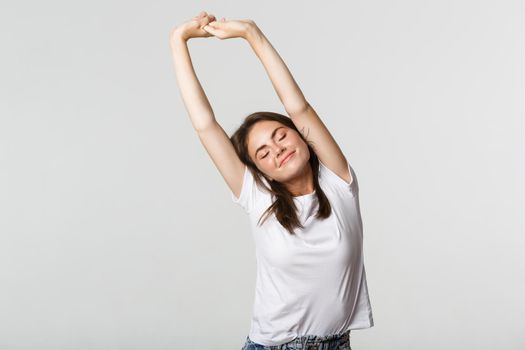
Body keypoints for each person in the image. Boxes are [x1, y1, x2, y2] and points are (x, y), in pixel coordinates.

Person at [169, 11, 374, 350]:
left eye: (280, 136)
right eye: (263, 154)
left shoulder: (339, 183)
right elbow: (205, 125)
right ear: (260, 171)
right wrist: (178, 41)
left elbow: (299, 106)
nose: (277, 150)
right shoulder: (256, 195)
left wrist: (252, 34)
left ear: (300, 135)